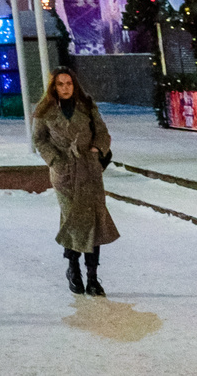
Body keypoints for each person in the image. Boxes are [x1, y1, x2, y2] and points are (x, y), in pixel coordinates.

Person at [31, 66, 118, 296]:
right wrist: (55, 162)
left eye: (68, 83)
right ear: (54, 87)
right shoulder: (45, 111)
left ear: (74, 84)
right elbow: (39, 140)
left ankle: (92, 277)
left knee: (93, 221)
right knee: (73, 220)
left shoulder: (87, 106)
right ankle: (73, 270)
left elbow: (102, 132)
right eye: (60, 84)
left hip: (89, 170)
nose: (65, 88)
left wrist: (96, 149)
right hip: (65, 173)